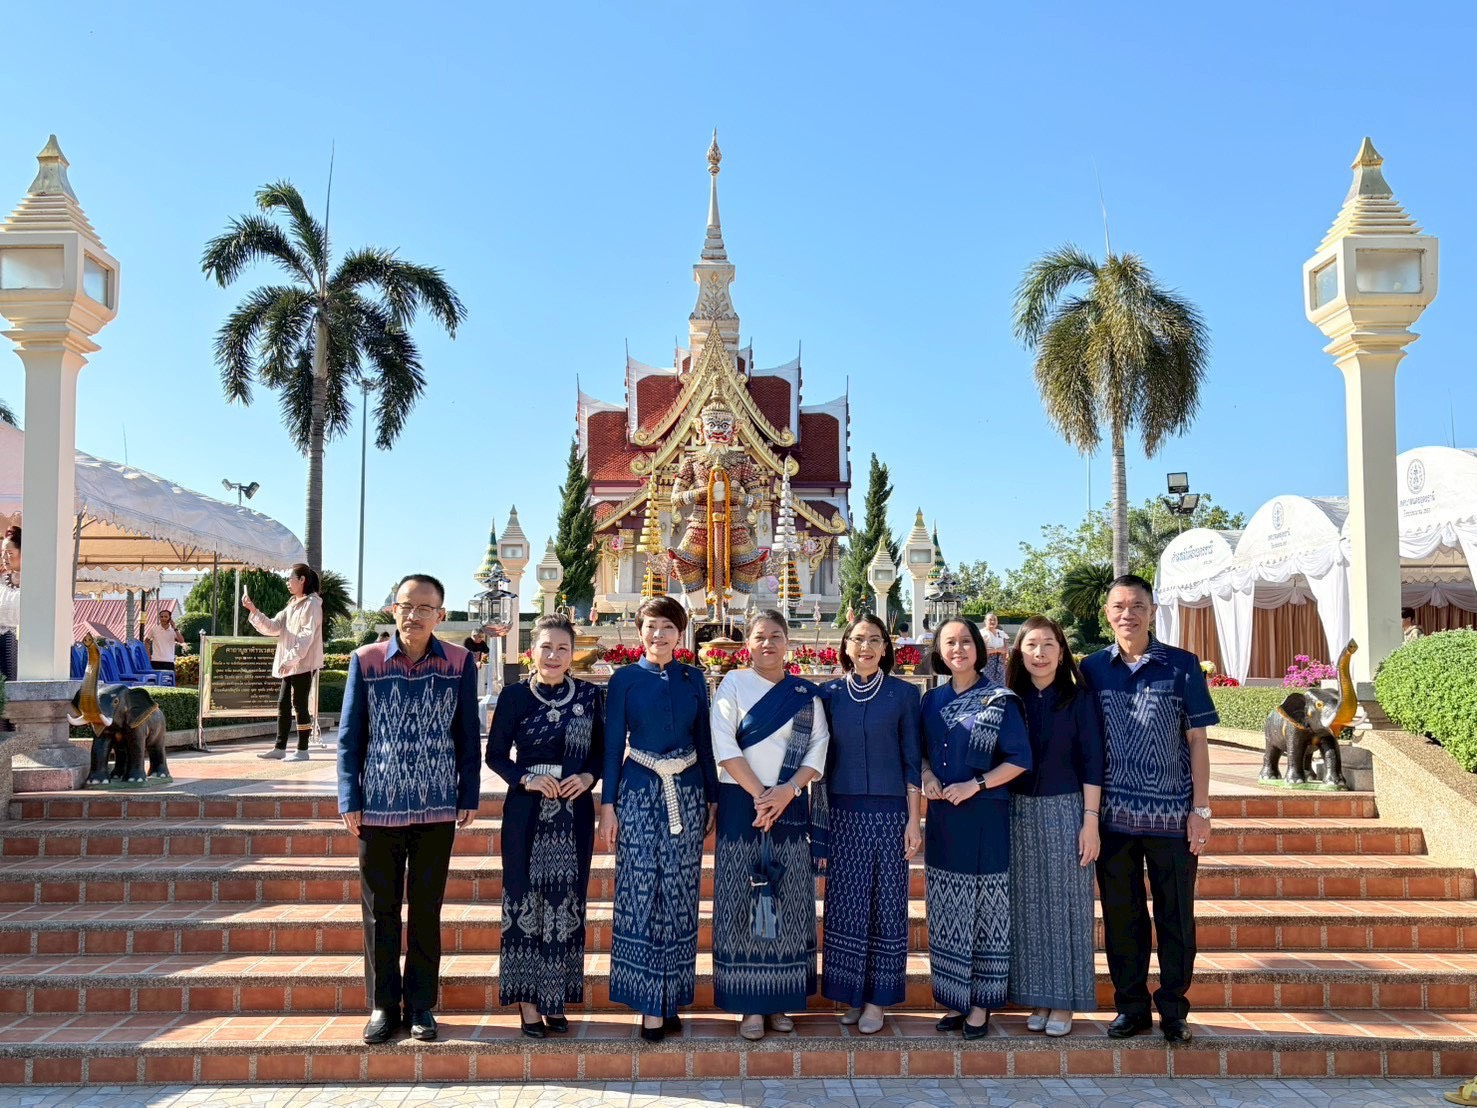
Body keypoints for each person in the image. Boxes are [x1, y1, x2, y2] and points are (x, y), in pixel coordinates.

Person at [337, 573, 481, 1045]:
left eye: (425, 607)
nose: (413, 615)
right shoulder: (366, 660)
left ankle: (420, 1006)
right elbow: (350, 737)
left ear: (441, 613)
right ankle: (383, 1004)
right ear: (392, 610)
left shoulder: (460, 662)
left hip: (438, 806)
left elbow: (466, 737)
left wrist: (468, 795)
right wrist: (349, 798)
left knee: (425, 909)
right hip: (377, 808)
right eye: (405, 606)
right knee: (379, 910)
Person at [1080, 574, 1217, 1045]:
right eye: (1119, 605)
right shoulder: (1092, 669)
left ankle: (1175, 1010)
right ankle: (1131, 1007)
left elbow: (1197, 741)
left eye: (1137, 605)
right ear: (1107, 612)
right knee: (1122, 917)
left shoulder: (1181, 666)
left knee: (1176, 916)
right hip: (1114, 820)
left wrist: (1201, 809)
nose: (1127, 614)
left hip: (1173, 819)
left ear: (1153, 611)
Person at [599, 595, 717, 1042]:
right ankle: (648, 1001)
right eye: (652, 626)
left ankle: (670, 997)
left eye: (669, 627)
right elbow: (612, 747)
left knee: (681, 893)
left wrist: (711, 798)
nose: (660, 635)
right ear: (639, 631)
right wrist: (608, 806)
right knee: (641, 890)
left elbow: (703, 742)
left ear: (680, 633)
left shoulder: (694, 679)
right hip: (639, 791)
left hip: (685, 792)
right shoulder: (625, 680)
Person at [710, 610, 830, 1041]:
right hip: (742, 804)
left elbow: (818, 749)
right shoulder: (732, 685)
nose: (768, 644)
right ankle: (748, 1004)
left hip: (790, 807)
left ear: (787, 643)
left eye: (776, 636)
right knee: (743, 898)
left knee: (790, 899)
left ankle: (782, 1000)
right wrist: (762, 794)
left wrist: (787, 792)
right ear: (748, 643)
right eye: (759, 637)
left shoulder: (805, 694)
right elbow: (722, 742)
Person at [485, 613, 603, 1038]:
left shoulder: (590, 697)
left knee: (565, 904)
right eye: (546, 647)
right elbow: (496, 755)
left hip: (574, 814)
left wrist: (589, 777)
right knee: (523, 903)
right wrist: (526, 778)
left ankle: (556, 998)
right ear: (531, 651)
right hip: (526, 811)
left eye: (563, 648)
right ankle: (529, 1004)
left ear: (574, 654)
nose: (553, 656)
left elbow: (601, 753)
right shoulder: (514, 697)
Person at [920, 617, 1031, 1039]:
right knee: (949, 908)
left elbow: (1018, 759)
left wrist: (975, 784)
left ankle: (982, 1005)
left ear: (979, 649)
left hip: (985, 815)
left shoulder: (1000, 699)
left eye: (966, 641)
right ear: (940, 650)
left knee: (986, 911)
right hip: (945, 819)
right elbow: (921, 754)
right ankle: (956, 999)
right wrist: (929, 777)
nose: (959, 649)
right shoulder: (930, 701)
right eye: (950, 642)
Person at [818, 613, 922, 1034]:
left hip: (889, 811)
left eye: (874, 640)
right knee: (846, 905)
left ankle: (878, 999)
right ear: (845, 646)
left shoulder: (903, 695)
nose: (865, 647)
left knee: (886, 905)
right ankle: (852, 993)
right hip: (842, 813)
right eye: (858, 639)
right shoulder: (828, 695)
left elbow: (913, 760)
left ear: (885, 648)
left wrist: (914, 821)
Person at [1005, 615, 1104, 1038]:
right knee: (1028, 908)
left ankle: (1065, 1001)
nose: (1040, 653)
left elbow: (1093, 761)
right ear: (1019, 652)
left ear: (1061, 651)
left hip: (1067, 810)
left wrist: (1090, 821)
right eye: (1031, 645)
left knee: (1067, 906)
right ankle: (1040, 996)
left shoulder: (1078, 697)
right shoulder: (1009, 698)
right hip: (1017, 812)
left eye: (1048, 644)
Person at [244, 563, 324, 762]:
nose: (288, 582)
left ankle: (302, 750)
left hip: (304, 663)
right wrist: (253, 610)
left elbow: (306, 636)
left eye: (290, 578)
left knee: (299, 704)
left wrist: (291, 660)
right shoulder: (292, 603)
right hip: (291, 664)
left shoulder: (312, 604)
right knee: (283, 703)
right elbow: (273, 626)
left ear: (302, 580)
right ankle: (280, 747)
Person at [0, 525, 19, 688]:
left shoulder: (36, 582)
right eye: (3, 552)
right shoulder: (1, 580)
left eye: (10, 553)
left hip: (21, 648)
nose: (5, 557)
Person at [142, 609, 186, 674]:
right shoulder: (154, 629)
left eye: (166, 617)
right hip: (155, 660)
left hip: (169, 661)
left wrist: (175, 628)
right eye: (161, 617)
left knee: (168, 682)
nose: (163, 618)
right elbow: (146, 641)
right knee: (156, 682)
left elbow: (181, 641)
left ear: (170, 618)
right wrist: (148, 653)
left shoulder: (173, 631)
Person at [981, 612, 1009, 687]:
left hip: (999, 663)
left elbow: (1005, 648)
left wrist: (1003, 662)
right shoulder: (982, 634)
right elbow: (981, 651)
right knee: (987, 686)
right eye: (990, 620)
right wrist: (997, 650)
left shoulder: (1000, 633)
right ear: (985, 621)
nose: (992, 622)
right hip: (987, 663)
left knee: (1000, 687)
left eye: (994, 620)